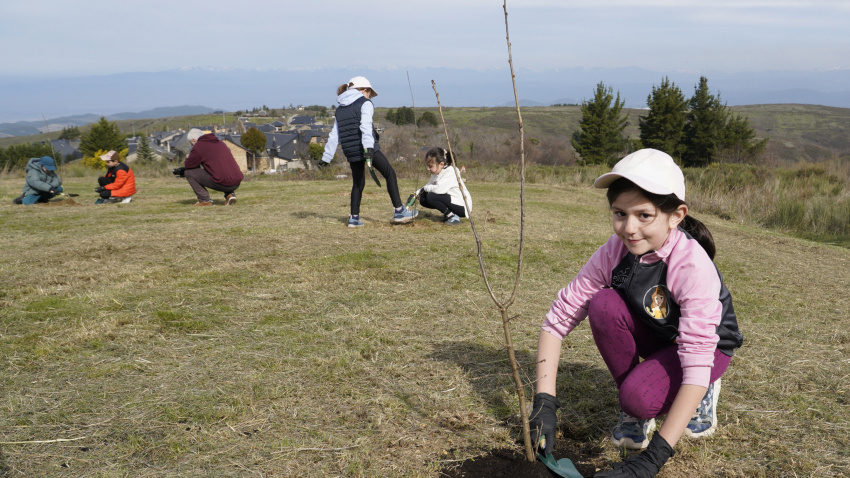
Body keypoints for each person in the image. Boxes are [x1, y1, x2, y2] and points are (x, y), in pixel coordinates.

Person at [529, 149, 743, 478]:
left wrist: (651, 460)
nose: (629, 228)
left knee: (638, 397)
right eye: (619, 213)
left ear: (676, 215)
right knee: (602, 304)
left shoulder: (691, 265)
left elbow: (697, 357)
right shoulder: (614, 252)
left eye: (644, 215)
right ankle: (638, 408)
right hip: (657, 335)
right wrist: (544, 402)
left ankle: (699, 396)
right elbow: (557, 321)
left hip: (708, 351)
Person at [318, 76, 417, 227]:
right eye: (370, 93)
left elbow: (334, 135)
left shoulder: (340, 109)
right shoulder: (365, 103)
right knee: (389, 173)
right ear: (364, 90)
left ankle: (353, 218)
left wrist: (326, 157)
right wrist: (369, 148)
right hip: (366, 147)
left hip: (350, 151)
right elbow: (365, 127)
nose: (370, 96)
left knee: (358, 183)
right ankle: (399, 211)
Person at [182, 128, 244, 206]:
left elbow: (189, 164)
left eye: (191, 144)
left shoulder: (199, 146)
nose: (192, 146)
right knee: (220, 170)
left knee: (188, 173)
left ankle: (204, 200)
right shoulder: (220, 142)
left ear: (194, 140)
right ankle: (230, 195)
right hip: (236, 182)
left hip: (223, 182)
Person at [415, 147, 472, 225]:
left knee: (431, 196)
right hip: (450, 200)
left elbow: (438, 190)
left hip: (462, 206)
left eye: (430, 166)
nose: (428, 169)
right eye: (427, 166)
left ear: (441, 164)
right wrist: (416, 193)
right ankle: (449, 213)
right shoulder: (436, 172)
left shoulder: (450, 171)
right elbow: (429, 185)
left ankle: (452, 216)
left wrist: (424, 189)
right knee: (423, 199)